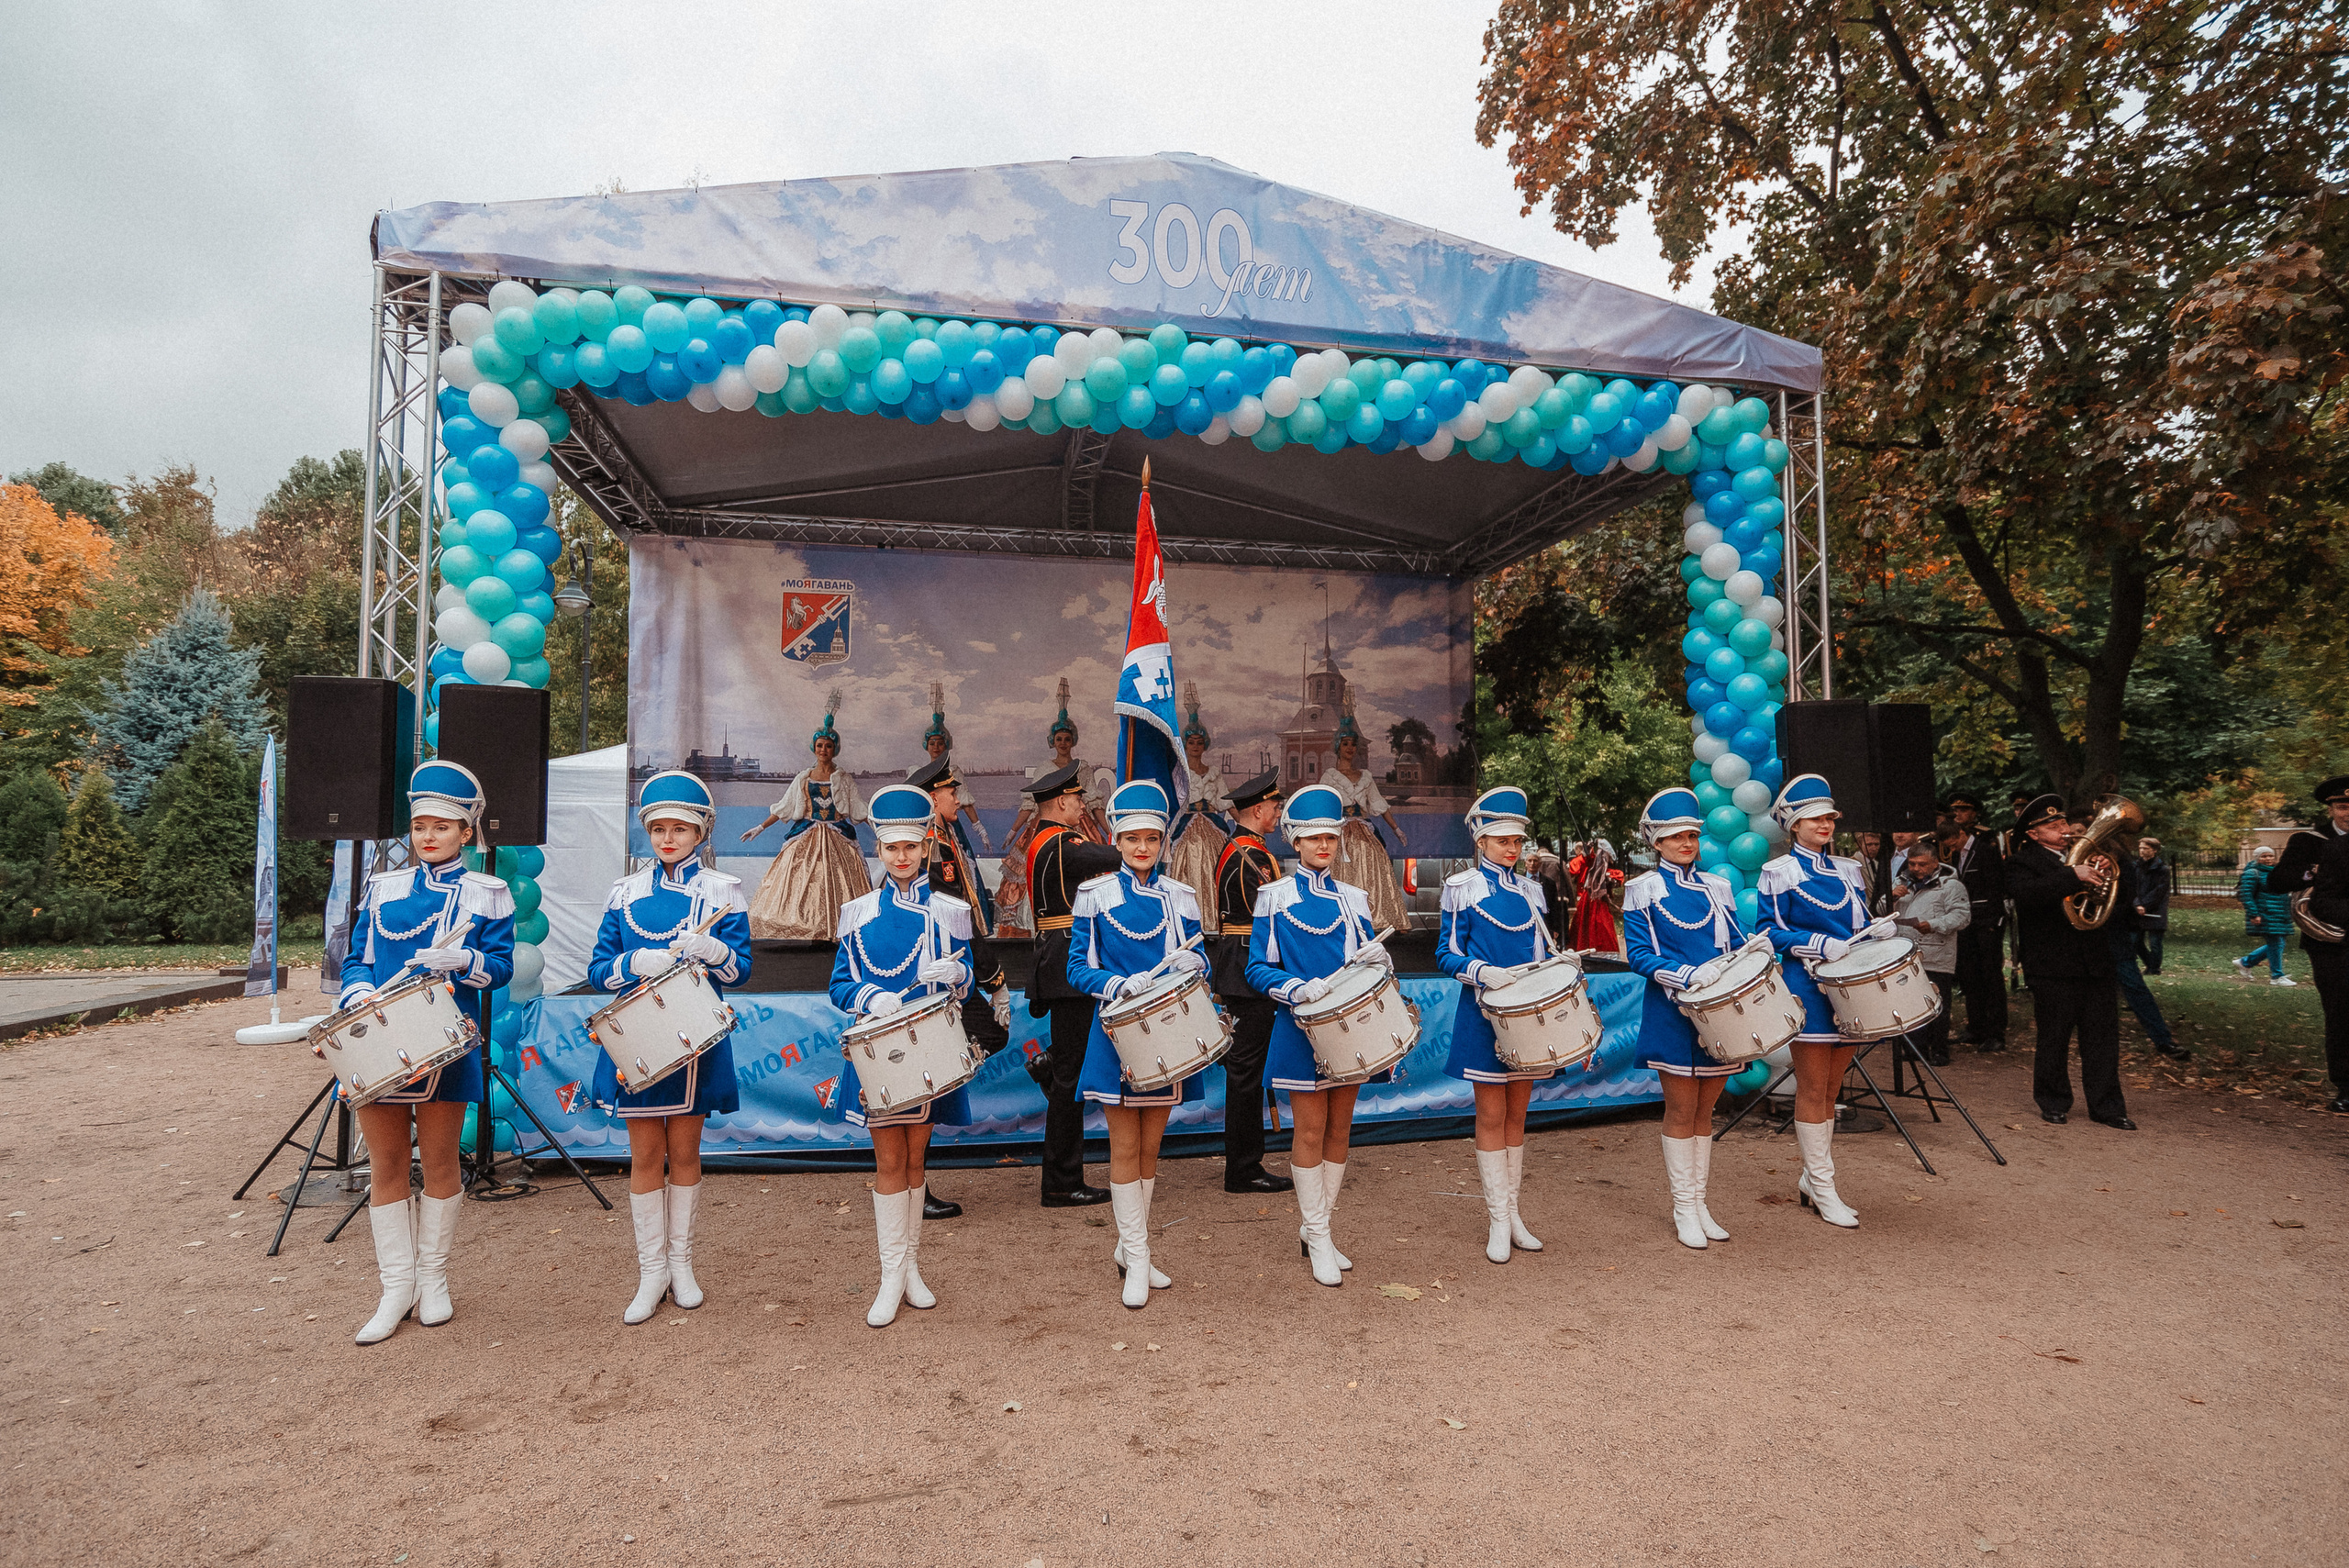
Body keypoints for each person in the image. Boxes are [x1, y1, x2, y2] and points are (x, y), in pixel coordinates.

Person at [337, 762, 515, 1344]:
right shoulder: (384, 888)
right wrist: (358, 989)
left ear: (467, 831)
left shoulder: (487, 894)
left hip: (445, 1042)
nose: (429, 836)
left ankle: (434, 1279)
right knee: (386, 1165)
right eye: (420, 826)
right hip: (379, 1039)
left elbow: (502, 969)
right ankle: (396, 1287)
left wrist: (464, 962)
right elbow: (357, 958)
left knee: (439, 1163)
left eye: (443, 826)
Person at [585, 771, 754, 1323]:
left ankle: (681, 1265)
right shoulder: (625, 892)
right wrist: (634, 962)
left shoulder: (723, 890)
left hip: (695, 1039)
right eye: (658, 828)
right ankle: (649, 1272)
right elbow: (596, 969)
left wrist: (710, 948)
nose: (667, 839)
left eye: (680, 829)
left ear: (701, 833)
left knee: (684, 1152)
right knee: (644, 1156)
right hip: (638, 1041)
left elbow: (742, 968)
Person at [829, 783, 978, 1328]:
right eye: (892, 848)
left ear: (926, 848)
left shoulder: (950, 910)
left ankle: (911, 1268)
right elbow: (839, 985)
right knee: (888, 1161)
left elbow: (967, 981)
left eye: (911, 847)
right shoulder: (857, 911)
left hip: (933, 1048)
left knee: (918, 1160)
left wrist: (958, 974)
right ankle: (890, 1274)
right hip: (879, 1051)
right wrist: (872, 996)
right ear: (880, 851)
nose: (902, 857)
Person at [1066, 780, 1211, 1308]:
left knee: (1152, 1146)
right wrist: (1115, 984)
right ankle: (1137, 1254)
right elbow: (1076, 966)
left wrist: (1197, 964)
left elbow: (1204, 963)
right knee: (1125, 1146)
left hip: (1169, 1035)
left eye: (1151, 838)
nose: (1142, 848)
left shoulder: (1181, 897)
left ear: (1163, 841)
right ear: (1117, 840)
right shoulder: (1094, 895)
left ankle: (1135, 1250)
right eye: (1132, 839)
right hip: (1115, 1033)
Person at [1246, 783, 1397, 1287]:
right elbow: (1257, 969)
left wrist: (1378, 960)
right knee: (1309, 1131)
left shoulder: (1355, 899)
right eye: (1312, 838)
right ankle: (1316, 1230)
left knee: (1339, 1129)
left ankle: (1320, 1232)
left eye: (1330, 837)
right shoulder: (1273, 896)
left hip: (1349, 1029)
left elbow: (1366, 965)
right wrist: (1295, 988)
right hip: (1298, 1028)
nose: (1323, 846)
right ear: (1294, 841)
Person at [1621, 786, 1761, 1250]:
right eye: (1677, 837)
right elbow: (1638, 954)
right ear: (1656, 842)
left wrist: (1751, 954)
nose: (1687, 843)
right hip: (1672, 1009)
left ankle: (1700, 1203)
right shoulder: (1642, 889)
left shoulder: (1718, 887)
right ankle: (1683, 1207)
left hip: (1718, 1012)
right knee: (1682, 1109)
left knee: (1707, 1110)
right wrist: (1684, 974)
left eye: (1692, 836)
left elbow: (1733, 943)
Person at [1757, 773, 1892, 1229]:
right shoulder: (1778, 872)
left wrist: (1876, 929)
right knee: (1814, 1089)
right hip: (1808, 985)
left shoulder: (1850, 870)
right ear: (1793, 825)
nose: (1825, 824)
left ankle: (1812, 1179)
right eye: (1814, 818)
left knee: (1833, 1090)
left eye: (1830, 817)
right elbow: (1768, 931)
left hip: (1849, 987)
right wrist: (1815, 942)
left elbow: (1855, 926)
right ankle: (1824, 1183)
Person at [1437, 787, 1558, 1264]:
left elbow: (1541, 952)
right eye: (1502, 840)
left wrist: (1555, 967)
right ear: (1481, 841)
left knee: (1517, 1115)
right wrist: (1482, 972)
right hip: (1484, 1011)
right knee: (1490, 1115)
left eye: (1517, 841)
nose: (1512, 849)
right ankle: (1496, 1220)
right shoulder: (1461, 886)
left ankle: (1513, 1213)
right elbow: (1445, 953)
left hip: (1528, 1013)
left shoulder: (1531, 890)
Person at [907, 755, 1014, 1220]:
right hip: (944, 973)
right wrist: (994, 980)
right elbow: (959, 921)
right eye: (952, 792)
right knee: (937, 1070)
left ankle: (916, 1184)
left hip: (952, 969)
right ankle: (914, 1185)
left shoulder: (945, 837)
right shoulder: (934, 846)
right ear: (933, 798)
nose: (958, 798)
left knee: (940, 1069)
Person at [1019, 763, 1120, 1207]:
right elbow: (1119, 857)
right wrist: (1136, 830)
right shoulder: (1061, 842)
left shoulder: (1041, 841)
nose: (1083, 805)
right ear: (1061, 802)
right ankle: (1061, 1181)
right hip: (1067, 963)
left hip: (1053, 957)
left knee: (1072, 1061)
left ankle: (1048, 1062)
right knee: (1071, 1080)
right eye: (1079, 799)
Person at [2007, 793, 2133, 1129]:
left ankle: (2107, 1107)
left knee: (2103, 1040)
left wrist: (2106, 875)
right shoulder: (2023, 862)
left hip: (2095, 963)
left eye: (2063, 821)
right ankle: (2053, 1101)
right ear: (2034, 834)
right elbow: (2028, 897)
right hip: (2052, 966)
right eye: (2053, 824)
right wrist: (2073, 876)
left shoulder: (2094, 857)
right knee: (2054, 1038)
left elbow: (2120, 904)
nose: (2063, 828)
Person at [1211, 769, 1294, 1195]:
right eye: (1276, 807)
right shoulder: (1251, 854)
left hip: (1237, 963)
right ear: (1258, 809)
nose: (1278, 813)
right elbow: (1278, 909)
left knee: (1245, 1069)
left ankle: (1245, 1164)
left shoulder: (1240, 848)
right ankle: (1244, 1168)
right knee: (1246, 1073)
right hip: (1248, 967)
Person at [740, 691, 870, 940]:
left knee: (838, 883)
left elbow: (858, 808)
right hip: (807, 833)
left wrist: (880, 830)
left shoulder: (843, 778)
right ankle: (803, 929)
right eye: (820, 745)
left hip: (837, 835)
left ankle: (841, 929)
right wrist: (761, 826)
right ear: (814, 748)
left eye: (828, 746)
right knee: (800, 882)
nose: (823, 750)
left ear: (835, 749)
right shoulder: (803, 777)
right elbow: (785, 806)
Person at [2269, 774, 2348, 1111]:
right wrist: (2313, 873)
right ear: (2330, 808)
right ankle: (2346, 1086)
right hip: (2330, 940)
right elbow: (2277, 881)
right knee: (2342, 1013)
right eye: (2343, 806)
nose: (2348, 813)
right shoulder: (2308, 841)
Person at [1323, 701, 1410, 935]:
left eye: (1353, 744)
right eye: (1346, 743)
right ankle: (1340, 920)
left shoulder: (1365, 776)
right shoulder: (1329, 776)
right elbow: (1321, 805)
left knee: (1373, 867)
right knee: (1341, 872)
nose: (1350, 748)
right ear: (1338, 747)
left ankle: (1374, 918)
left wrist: (1396, 829)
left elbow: (1379, 804)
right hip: (1340, 832)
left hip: (1364, 830)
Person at [1887, 835, 1971, 1067]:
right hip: (1904, 955)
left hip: (1936, 954)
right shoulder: (1900, 883)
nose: (1916, 869)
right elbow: (1878, 911)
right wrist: (1891, 897)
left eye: (1922, 864)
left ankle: (1940, 1050)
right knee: (1910, 1003)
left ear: (1935, 863)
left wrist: (1933, 924)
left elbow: (1962, 916)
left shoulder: (1951, 885)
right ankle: (1916, 1048)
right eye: (1913, 864)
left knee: (1937, 1005)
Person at [2109, 843, 2187, 1061]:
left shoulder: (2122, 862)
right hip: (2085, 940)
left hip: (2114, 934)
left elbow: (2128, 892)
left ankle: (2163, 1039)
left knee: (2136, 987)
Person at [1946, 793, 2009, 1051]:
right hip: (1965, 923)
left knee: (1991, 976)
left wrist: (1994, 920)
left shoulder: (1986, 848)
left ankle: (1995, 1031)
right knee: (1969, 975)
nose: (1950, 848)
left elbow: (1996, 886)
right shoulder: (1953, 853)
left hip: (1986, 920)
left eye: (1952, 842)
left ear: (1962, 835)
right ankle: (1976, 1026)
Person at [1165, 684, 1231, 923]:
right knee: (1189, 870)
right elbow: (1172, 802)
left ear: (1205, 744)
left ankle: (1213, 920)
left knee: (1215, 869)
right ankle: (1188, 921)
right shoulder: (1179, 772)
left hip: (1212, 827)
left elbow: (1225, 801)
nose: (1195, 746)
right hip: (1187, 828)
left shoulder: (1213, 772)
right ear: (1185, 744)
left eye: (1199, 742)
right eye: (1191, 742)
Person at [2233, 845, 2295, 985]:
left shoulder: (2277, 872)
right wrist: (2254, 914)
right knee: (2276, 943)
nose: (2268, 859)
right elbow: (2246, 895)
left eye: (2270, 856)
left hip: (2280, 914)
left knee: (2278, 944)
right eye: (2264, 856)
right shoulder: (2252, 873)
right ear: (2257, 858)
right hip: (2265, 914)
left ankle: (2245, 963)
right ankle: (2277, 977)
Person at [1566, 839, 1623, 954]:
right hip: (1587, 901)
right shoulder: (1590, 866)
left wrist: (1607, 879)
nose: (1600, 859)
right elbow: (1578, 864)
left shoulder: (1613, 872)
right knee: (1583, 927)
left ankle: (1604, 953)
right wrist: (1588, 847)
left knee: (1602, 927)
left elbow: (1616, 881)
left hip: (1601, 903)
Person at [2132, 837, 2171, 974]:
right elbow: (2131, 887)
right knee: (2135, 941)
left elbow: (2159, 891)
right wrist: (2137, 904)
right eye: (2140, 848)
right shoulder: (2135, 866)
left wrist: (2145, 905)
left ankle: (2154, 968)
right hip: (2138, 909)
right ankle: (2151, 964)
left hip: (2156, 910)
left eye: (2146, 848)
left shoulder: (2163, 869)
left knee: (2155, 942)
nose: (2142, 851)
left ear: (2154, 850)